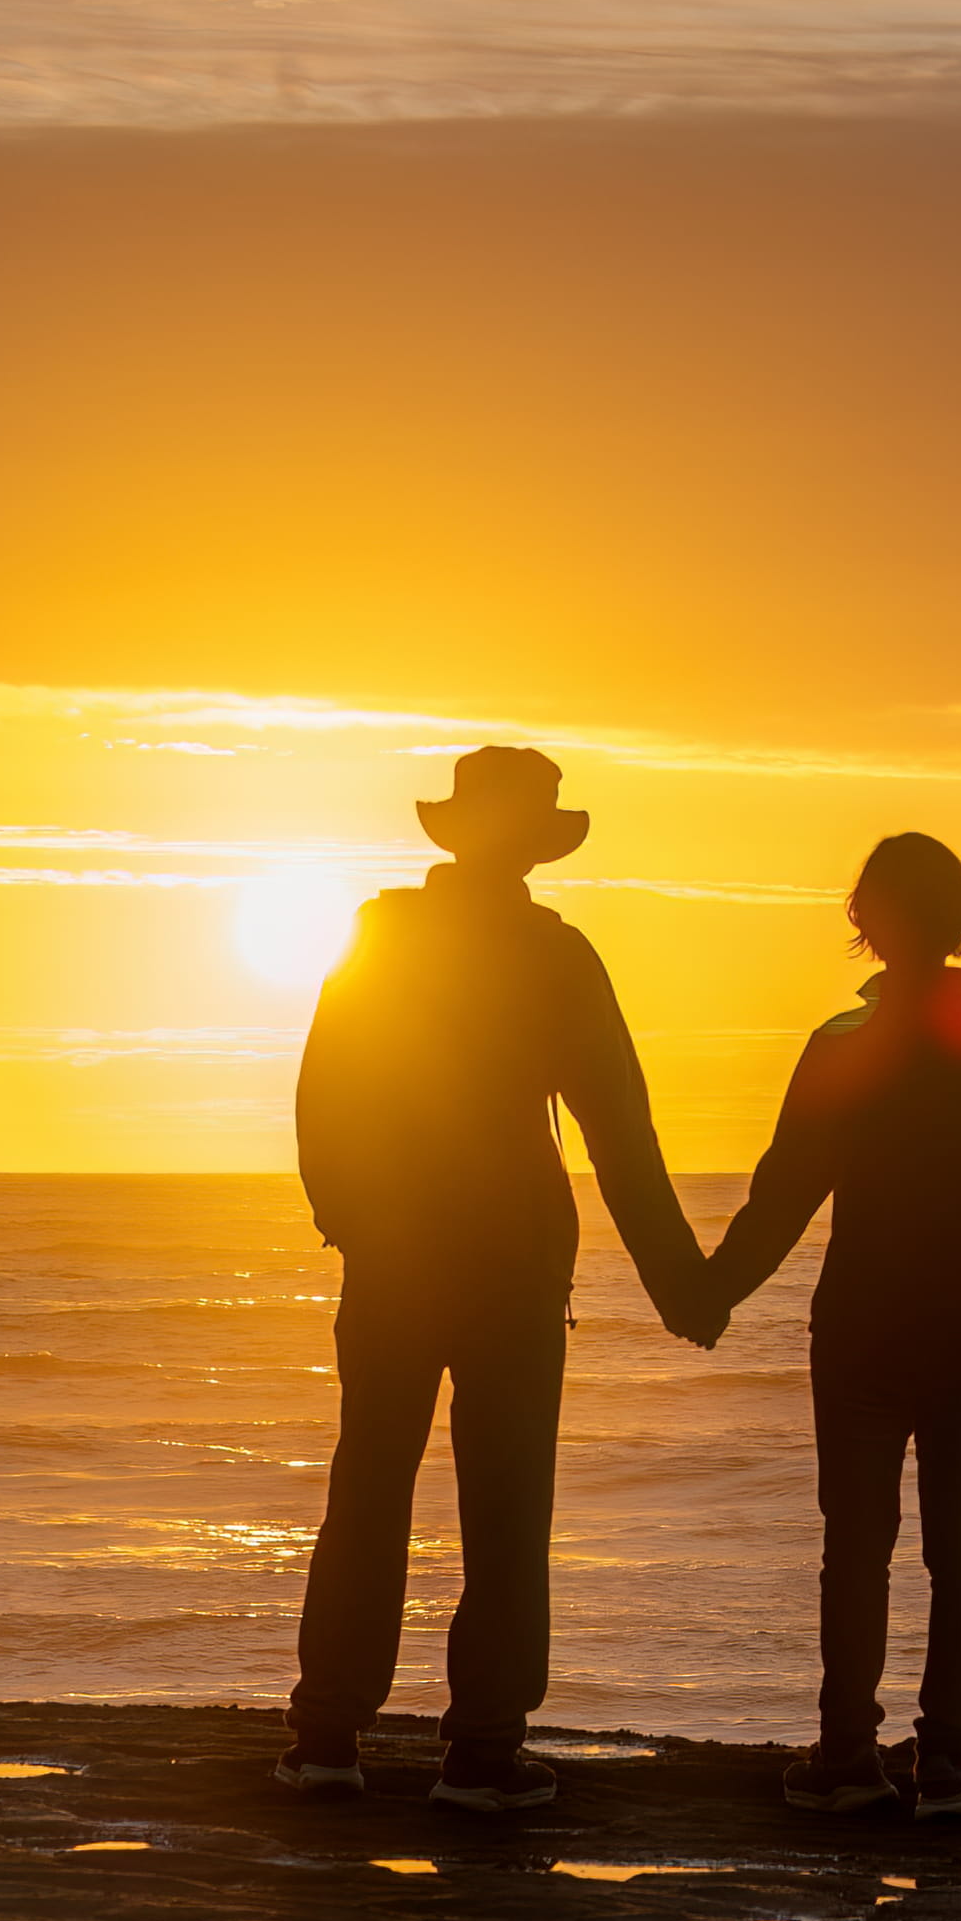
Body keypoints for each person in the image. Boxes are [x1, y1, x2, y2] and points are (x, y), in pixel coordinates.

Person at [282, 746, 714, 1811]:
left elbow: (321, 1093)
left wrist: (352, 1223)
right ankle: (480, 1751)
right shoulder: (553, 954)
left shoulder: (381, 940)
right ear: (533, 846)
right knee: (508, 1503)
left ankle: (329, 1735)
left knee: (369, 1487)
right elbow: (621, 1129)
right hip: (513, 1260)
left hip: (393, 1255)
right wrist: (683, 1286)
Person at [696, 831, 961, 1822]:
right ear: (959, 922)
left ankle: (848, 1755)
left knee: (857, 1545)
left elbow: (785, 1193)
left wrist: (712, 1290)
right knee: (960, 1545)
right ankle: (945, 1762)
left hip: (863, 1323)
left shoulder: (842, 1046)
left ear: (867, 922)